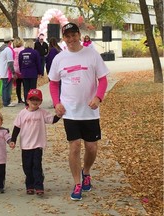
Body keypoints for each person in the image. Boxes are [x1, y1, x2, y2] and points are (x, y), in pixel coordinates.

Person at [48, 23, 109, 201]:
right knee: (74, 147)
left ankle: (86, 171)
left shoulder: (92, 54)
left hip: (89, 111)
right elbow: (53, 83)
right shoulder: (60, 58)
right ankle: (77, 183)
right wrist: (56, 102)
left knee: (91, 147)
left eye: (74, 35)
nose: (71, 39)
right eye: (67, 36)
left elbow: (103, 79)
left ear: (79, 35)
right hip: (70, 111)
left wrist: (98, 97)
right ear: (63, 38)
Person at [10, 89, 61, 196]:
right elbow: (16, 127)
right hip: (26, 145)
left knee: (36, 166)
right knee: (27, 167)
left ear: (41, 102)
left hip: (38, 145)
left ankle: (39, 186)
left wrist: (59, 115)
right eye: (32, 99)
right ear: (27, 101)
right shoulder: (22, 113)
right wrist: (13, 140)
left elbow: (52, 120)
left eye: (37, 100)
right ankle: (30, 186)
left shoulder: (42, 113)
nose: (34, 102)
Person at [19, 39, 42, 105]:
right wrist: (40, 72)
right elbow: (38, 63)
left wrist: (21, 71)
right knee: (33, 89)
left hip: (24, 72)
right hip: (33, 72)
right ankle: (33, 102)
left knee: (26, 88)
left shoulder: (21, 53)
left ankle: (27, 102)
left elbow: (20, 63)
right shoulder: (35, 52)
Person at [0, 36, 17, 107]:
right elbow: (10, 63)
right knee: (7, 88)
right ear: (9, 42)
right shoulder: (8, 50)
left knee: (4, 87)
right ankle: (7, 102)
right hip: (7, 72)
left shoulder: (1, 49)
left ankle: (5, 102)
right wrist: (13, 72)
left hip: (2, 71)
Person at [13, 37, 25, 103]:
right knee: (25, 85)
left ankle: (19, 99)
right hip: (22, 68)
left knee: (18, 85)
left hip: (15, 68)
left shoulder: (13, 50)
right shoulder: (23, 49)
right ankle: (26, 97)